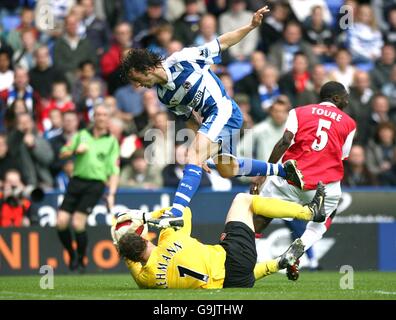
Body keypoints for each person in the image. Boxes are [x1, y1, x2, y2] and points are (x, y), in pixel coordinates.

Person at [120, 6, 303, 228]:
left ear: (145, 68)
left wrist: (251, 26)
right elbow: (189, 117)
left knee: (192, 155)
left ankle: (177, 212)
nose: (137, 84)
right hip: (211, 120)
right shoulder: (163, 95)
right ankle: (284, 170)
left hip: (224, 110)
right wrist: (202, 149)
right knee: (227, 169)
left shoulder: (182, 60)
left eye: (136, 77)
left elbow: (222, 43)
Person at [113, 183, 326, 289]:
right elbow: (182, 210)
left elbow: (134, 265)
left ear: (129, 259)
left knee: (237, 270)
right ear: (144, 238)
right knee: (243, 200)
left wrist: (119, 241)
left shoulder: (146, 279)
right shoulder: (169, 237)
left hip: (233, 282)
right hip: (233, 257)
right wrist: (146, 217)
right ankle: (309, 212)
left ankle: (279, 263)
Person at [252, 81, 356, 272]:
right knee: (325, 217)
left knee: (261, 215)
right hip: (323, 187)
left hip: (291, 179)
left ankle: (241, 256)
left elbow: (285, 141)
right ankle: (297, 250)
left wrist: (263, 174)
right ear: (336, 98)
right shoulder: (350, 124)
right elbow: (341, 156)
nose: (347, 102)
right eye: (346, 98)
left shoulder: (298, 111)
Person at [56, 104, 120, 272]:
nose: (101, 118)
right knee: (61, 222)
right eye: (98, 114)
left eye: (104, 115)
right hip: (76, 181)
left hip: (96, 184)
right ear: (93, 117)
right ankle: (72, 253)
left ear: (108, 119)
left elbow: (114, 170)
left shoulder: (112, 141)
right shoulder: (82, 135)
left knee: (78, 223)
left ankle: (81, 256)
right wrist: (76, 150)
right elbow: (63, 153)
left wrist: (111, 194)